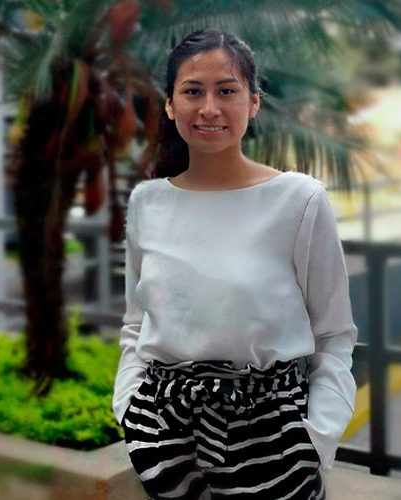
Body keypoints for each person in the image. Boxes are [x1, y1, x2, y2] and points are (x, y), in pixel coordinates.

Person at [113, 29, 357, 500]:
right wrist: (129, 410)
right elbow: (136, 323)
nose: (209, 108)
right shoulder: (147, 202)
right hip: (162, 433)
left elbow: (334, 333)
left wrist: (315, 437)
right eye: (192, 91)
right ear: (170, 105)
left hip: (274, 438)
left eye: (227, 91)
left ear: (254, 102)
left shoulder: (299, 200)